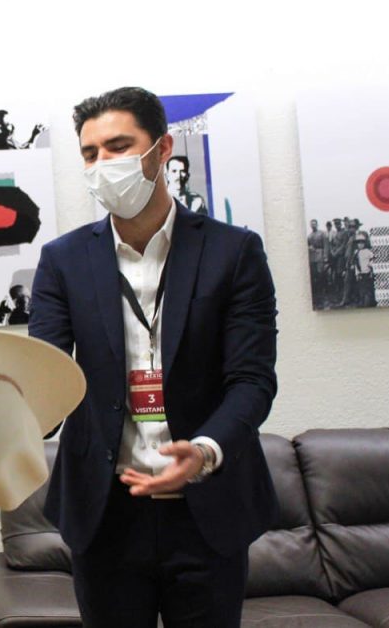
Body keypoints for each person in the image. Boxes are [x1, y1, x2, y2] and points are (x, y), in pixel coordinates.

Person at [29, 86, 278, 626]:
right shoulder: (62, 261)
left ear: (162, 148)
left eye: (119, 146)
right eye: (90, 153)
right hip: (106, 512)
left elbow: (252, 380)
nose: (103, 164)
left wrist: (205, 451)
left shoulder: (234, 252)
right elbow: (45, 381)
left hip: (207, 508)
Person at [307, 218, 329, 309]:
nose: (313, 225)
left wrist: (325, 257)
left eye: (314, 224)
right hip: (312, 257)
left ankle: (324, 291)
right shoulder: (309, 236)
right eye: (312, 224)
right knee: (314, 275)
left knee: (321, 274)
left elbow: (326, 245)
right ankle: (317, 293)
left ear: (317, 224)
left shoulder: (322, 233)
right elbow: (307, 245)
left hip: (320, 254)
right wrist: (309, 247)